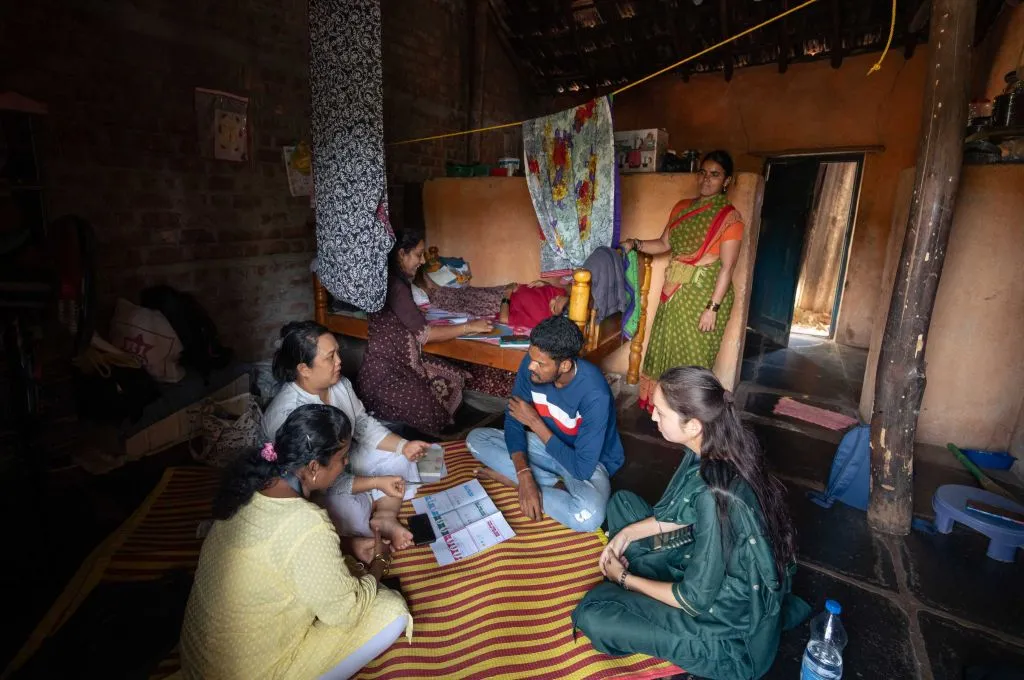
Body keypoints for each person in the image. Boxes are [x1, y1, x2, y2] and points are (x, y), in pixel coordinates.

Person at [572, 367, 809, 680]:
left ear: (694, 424)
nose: (653, 416)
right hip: (703, 557)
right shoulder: (717, 447)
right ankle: (646, 581)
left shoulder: (717, 497)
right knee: (622, 504)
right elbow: (681, 512)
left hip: (725, 639)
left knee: (593, 614)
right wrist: (628, 533)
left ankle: (641, 590)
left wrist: (625, 577)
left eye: (660, 411)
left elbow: (693, 600)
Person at [178, 404, 412, 680]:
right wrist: (380, 562)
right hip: (249, 672)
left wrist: (347, 545)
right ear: (313, 467)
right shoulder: (309, 523)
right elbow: (347, 613)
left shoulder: (248, 488)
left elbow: (280, 547)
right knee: (391, 610)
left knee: (342, 570)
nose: (346, 464)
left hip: (196, 663)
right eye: (343, 457)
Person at [264, 320, 432, 553]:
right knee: (346, 514)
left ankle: (384, 516)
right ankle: (372, 505)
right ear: (304, 369)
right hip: (317, 480)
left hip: (342, 457)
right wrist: (376, 482)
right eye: (330, 357)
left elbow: (361, 423)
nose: (339, 361)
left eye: (338, 353)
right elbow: (315, 479)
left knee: (401, 458)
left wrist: (403, 446)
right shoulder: (287, 416)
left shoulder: (340, 385)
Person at [466, 316, 624, 532]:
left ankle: (514, 482)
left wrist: (534, 421)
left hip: (588, 461)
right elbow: (514, 420)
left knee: (587, 516)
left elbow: (581, 469)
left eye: (540, 363)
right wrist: (523, 473)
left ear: (565, 365)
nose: (531, 366)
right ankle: (540, 484)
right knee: (476, 440)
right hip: (547, 447)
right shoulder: (531, 365)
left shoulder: (595, 394)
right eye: (531, 357)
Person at [623, 150, 745, 412]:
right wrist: (636, 243)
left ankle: (690, 413)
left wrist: (712, 309)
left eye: (715, 174)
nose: (706, 179)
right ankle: (665, 410)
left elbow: (727, 267)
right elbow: (664, 243)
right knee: (665, 350)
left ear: (726, 180)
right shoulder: (682, 207)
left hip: (704, 296)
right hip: (673, 293)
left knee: (694, 357)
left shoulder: (729, 218)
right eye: (703, 173)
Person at [358, 229, 493, 435]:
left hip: (404, 362)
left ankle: (446, 425)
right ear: (401, 254)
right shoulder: (394, 285)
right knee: (429, 413)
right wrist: (469, 327)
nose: (422, 261)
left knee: (455, 376)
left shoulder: (396, 280)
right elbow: (425, 335)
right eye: (418, 255)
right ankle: (434, 433)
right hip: (386, 371)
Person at [414, 269, 569, 331]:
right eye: (557, 298)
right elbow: (559, 291)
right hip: (504, 289)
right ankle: (435, 287)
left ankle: (430, 293)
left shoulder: (541, 320)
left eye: (554, 306)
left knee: (463, 299)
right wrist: (546, 284)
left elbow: (504, 318)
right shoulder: (560, 293)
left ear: (556, 317)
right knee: (469, 290)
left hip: (498, 303)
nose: (553, 299)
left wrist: (507, 295)